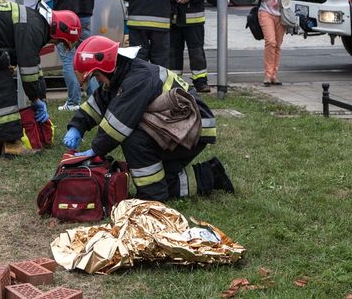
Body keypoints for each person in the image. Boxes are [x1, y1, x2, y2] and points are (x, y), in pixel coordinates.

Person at [62, 35, 234, 202]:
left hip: (191, 128)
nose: (99, 81)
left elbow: (119, 125)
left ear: (106, 67)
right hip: (180, 125)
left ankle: (151, 195)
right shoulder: (122, 73)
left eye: (97, 76)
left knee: (134, 138)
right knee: (164, 179)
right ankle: (211, 175)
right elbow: (99, 102)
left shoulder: (137, 78)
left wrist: (96, 149)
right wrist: (78, 126)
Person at [0, 0, 81, 156]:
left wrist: (41, 96)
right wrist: (35, 99)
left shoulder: (36, 23)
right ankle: (12, 144)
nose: (55, 44)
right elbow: (28, 70)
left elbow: (33, 66)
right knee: (1, 87)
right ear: (59, 30)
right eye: (60, 41)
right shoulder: (35, 27)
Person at [43, 0, 103, 111]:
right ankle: (95, 101)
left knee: (68, 59)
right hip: (85, 16)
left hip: (64, 20)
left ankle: (73, 102)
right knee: (87, 57)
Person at [249, 0, 295, 86]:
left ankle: (275, 75)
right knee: (271, 42)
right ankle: (268, 75)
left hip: (281, 12)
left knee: (278, 45)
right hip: (265, 11)